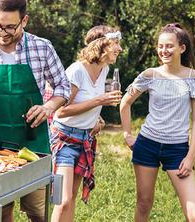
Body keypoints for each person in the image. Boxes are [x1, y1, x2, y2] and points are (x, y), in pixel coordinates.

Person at [0, 0, 70, 221]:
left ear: (24, 21)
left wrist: (48, 107)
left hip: (32, 143)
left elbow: (63, 86)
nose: (2, 33)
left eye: (10, 27)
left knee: (37, 211)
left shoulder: (42, 47)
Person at [120, 23, 195, 221]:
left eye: (169, 46)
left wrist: (191, 156)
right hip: (147, 145)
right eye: (160, 46)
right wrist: (127, 134)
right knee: (143, 204)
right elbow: (125, 102)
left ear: (182, 48)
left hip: (178, 150)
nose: (163, 51)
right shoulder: (150, 75)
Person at [49, 25, 123, 221]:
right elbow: (61, 111)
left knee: (71, 197)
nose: (120, 49)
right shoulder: (76, 71)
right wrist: (99, 101)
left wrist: (96, 118)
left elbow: (88, 103)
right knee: (62, 200)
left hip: (85, 139)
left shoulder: (104, 68)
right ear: (101, 45)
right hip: (64, 138)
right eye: (115, 43)